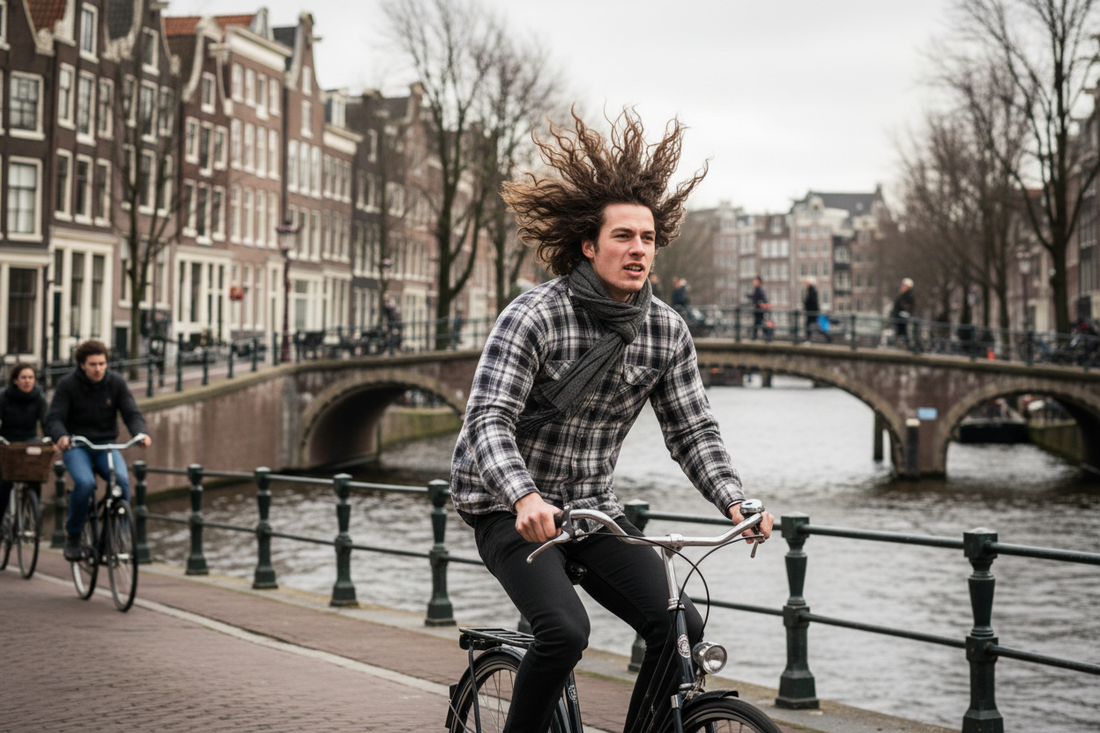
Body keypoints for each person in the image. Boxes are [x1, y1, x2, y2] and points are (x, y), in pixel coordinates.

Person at [449, 108, 774, 733]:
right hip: (506, 505)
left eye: (647, 238)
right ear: (589, 245)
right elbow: (488, 420)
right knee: (565, 632)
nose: (638, 249)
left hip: (591, 509)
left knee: (680, 627)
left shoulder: (665, 330)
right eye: (623, 236)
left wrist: (735, 501)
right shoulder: (534, 316)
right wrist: (523, 497)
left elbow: (692, 430)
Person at [45, 340, 150, 560]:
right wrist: (61, 436)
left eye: (102, 364)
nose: (98, 369)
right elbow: (55, 417)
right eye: (93, 364)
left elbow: (131, 413)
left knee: (122, 481)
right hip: (77, 446)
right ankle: (73, 536)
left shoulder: (116, 383)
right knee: (85, 484)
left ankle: (115, 536)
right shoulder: (68, 385)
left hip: (105, 446)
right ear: (82, 364)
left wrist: (140, 433)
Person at [0, 363, 48, 526]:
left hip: (29, 440)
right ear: (15, 380)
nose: (27, 381)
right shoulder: (4, 397)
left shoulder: (39, 398)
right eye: (23, 378)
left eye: (31, 377)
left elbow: (46, 422)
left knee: (34, 477)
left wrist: (52, 438)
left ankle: (32, 514)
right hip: (7, 442)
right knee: (4, 482)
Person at [889, 277, 915, 345]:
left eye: (904, 286)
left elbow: (908, 307)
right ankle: (900, 343)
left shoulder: (909, 296)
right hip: (898, 318)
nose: (903, 287)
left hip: (903, 318)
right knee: (899, 331)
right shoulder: (901, 295)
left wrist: (904, 308)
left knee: (904, 332)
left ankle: (905, 343)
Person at [750, 275, 769, 340]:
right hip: (758, 310)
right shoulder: (758, 289)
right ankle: (764, 336)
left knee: (758, 322)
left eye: (755, 281)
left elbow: (760, 299)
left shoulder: (758, 289)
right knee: (759, 322)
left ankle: (764, 335)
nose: (753, 282)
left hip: (758, 310)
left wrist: (759, 303)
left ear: (758, 281)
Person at [803, 277, 820, 342]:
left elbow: (811, 301)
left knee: (810, 325)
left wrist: (806, 305)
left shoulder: (811, 291)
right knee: (812, 325)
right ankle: (809, 338)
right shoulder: (812, 291)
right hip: (812, 312)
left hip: (811, 313)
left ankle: (809, 339)